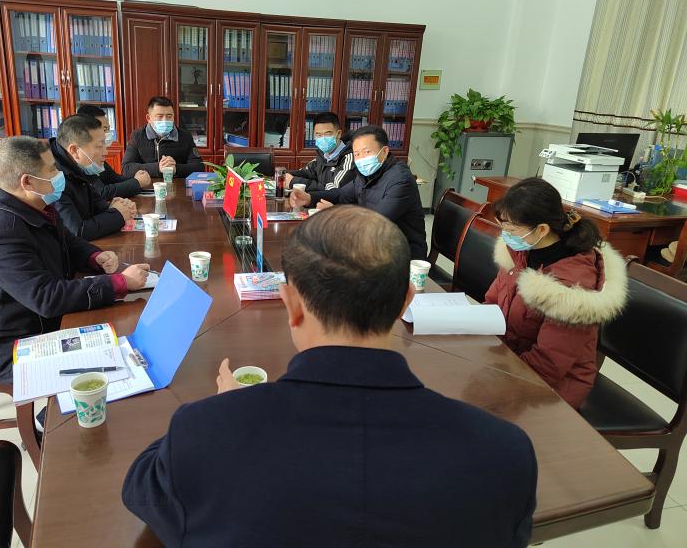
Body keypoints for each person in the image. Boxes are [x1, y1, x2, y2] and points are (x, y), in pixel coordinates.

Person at [123, 206, 537, 548]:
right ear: (405, 302)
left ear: (291, 304)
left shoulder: (203, 432)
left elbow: (141, 488)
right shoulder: (505, 452)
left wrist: (227, 408)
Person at [0, 136, 151, 383]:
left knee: (123, 339)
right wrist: (120, 283)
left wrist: (94, 256)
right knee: (119, 363)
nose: (58, 174)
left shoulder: (30, 204)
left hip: (43, 324)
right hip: (10, 348)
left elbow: (68, 241)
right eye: (51, 169)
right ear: (27, 181)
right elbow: (46, 297)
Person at [483, 177, 628, 409]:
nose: (505, 234)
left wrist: (494, 375)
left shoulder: (572, 287)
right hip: (509, 361)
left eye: (511, 228)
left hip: (552, 387)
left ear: (542, 229)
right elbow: (492, 302)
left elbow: (548, 365)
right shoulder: (522, 251)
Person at [290, 125, 427, 259]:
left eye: (367, 152)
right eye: (357, 154)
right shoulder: (366, 174)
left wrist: (336, 215)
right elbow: (341, 194)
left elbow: (377, 222)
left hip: (401, 253)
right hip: (369, 244)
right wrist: (309, 198)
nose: (361, 159)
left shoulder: (400, 180)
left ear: (385, 151)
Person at [49, 114, 136, 240]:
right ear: (74, 150)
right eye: (99, 146)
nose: (106, 152)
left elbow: (96, 205)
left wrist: (113, 207)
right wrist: (117, 214)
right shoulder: (53, 178)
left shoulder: (79, 166)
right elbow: (77, 232)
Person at [76, 104, 152, 199]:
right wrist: (137, 183)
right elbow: (101, 192)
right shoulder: (82, 157)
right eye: (104, 129)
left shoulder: (97, 153)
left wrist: (136, 178)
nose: (108, 134)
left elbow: (113, 178)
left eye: (108, 129)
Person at [121, 96, 203, 179]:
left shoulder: (185, 136)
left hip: (177, 184)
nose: (165, 120)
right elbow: (126, 169)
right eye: (160, 116)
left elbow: (199, 167)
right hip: (147, 184)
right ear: (149, 118)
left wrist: (176, 168)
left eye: (169, 116)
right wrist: (158, 168)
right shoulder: (137, 136)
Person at [286, 111, 356, 191]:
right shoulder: (322, 156)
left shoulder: (349, 159)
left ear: (339, 134)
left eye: (328, 134)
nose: (323, 138)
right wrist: (284, 175)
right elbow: (305, 173)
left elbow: (334, 190)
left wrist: (294, 181)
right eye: (318, 135)